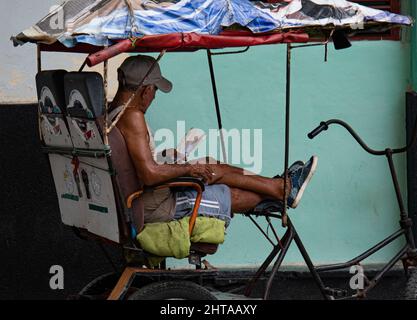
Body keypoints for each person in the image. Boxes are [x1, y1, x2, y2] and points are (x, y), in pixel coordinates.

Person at [109, 55, 318, 228]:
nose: (154, 97)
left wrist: (170, 157)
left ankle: (277, 186)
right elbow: (149, 174)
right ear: (147, 90)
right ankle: (279, 191)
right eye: (155, 91)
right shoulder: (133, 116)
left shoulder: (113, 113)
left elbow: (137, 162)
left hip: (144, 197)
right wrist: (187, 169)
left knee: (211, 165)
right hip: (153, 204)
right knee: (225, 189)